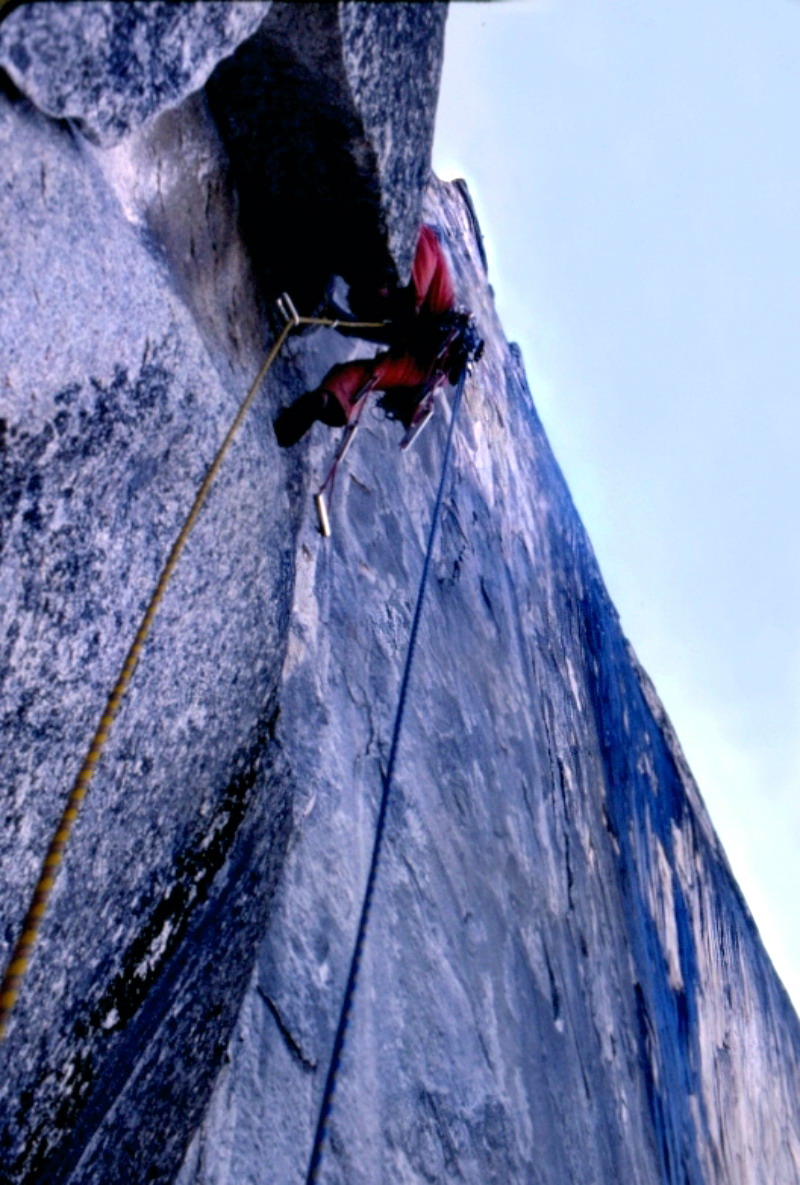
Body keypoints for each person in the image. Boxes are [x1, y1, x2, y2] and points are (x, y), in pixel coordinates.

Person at [274, 225, 481, 448]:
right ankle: (327, 400)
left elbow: (425, 242)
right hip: (421, 342)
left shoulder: (436, 283)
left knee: (424, 252)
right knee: (370, 375)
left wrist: (336, 316)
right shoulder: (422, 368)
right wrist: (335, 316)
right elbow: (372, 366)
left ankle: (326, 401)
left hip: (419, 316)